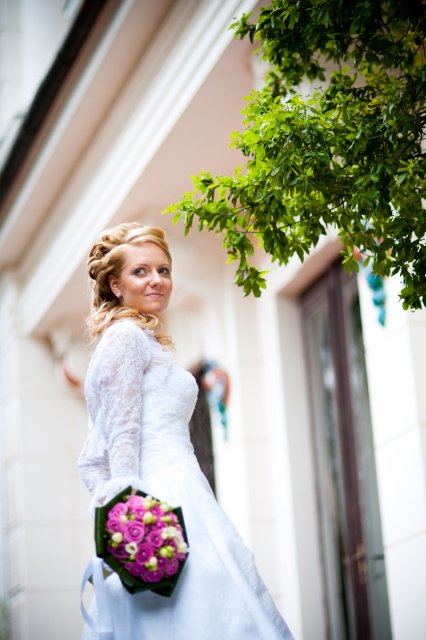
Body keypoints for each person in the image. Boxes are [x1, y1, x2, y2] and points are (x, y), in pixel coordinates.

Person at [78, 222, 293, 639]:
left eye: (164, 270)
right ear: (115, 285)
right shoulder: (125, 337)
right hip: (161, 497)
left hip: (186, 490)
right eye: (141, 271)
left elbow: (90, 459)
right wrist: (132, 519)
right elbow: (118, 439)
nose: (157, 280)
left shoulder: (141, 339)